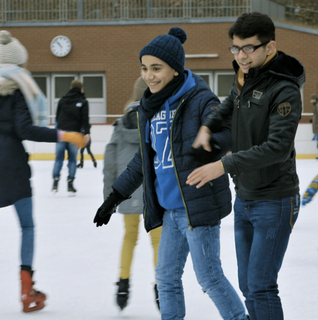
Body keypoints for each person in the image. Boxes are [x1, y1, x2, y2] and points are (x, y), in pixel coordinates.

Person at [94, 27, 249, 320]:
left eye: (156, 68)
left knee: (209, 277)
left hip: (196, 207)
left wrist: (212, 144)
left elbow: (230, 129)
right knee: (165, 279)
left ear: (175, 70)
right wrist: (115, 195)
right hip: (169, 211)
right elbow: (144, 159)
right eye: (144, 68)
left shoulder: (200, 99)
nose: (149, 76)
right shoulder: (148, 108)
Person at [186, 12, 305, 320]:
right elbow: (228, 104)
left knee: (262, 286)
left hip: (275, 199)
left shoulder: (284, 89)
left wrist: (223, 165)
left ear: (270, 46)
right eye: (235, 48)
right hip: (246, 197)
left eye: (249, 48)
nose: (241, 55)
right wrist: (208, 126)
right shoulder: (245, 77)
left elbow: (277, 148)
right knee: (247, 285)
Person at [0, 30, 87, 313]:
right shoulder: (15, 93)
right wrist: (67, 136)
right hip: (12, 167)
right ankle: (27, 289)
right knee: (27, 226)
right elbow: (26, 130)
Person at [103, 76, 162, 311]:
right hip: (152, 192)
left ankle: (123, 285)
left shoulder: (120, 125)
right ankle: (161, 287)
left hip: (126, 191)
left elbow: (109, 164)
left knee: (129, 237)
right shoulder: (158, 120)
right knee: (157, 240)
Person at [52, 79, 90, 195]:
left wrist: (56, 132)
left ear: (70, 88)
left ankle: (55, 181)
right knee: (72, 160)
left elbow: (57, 117)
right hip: (74, 134)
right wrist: (86, 133)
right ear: (81, 89)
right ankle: (70, 184)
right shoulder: (83, 101)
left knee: (59, 158)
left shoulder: (62, 100)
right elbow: (85, 119)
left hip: (61, 133)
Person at [309, 93, 318, 159]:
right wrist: (312, 119)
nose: (310, 101)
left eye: (311, 99)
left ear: (314, 99)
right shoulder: (316, 106)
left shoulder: (317, 106)